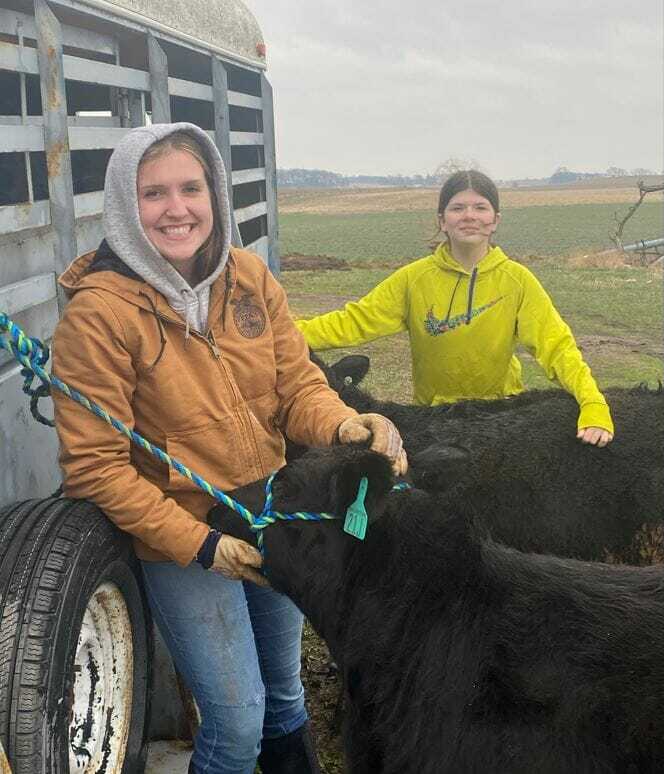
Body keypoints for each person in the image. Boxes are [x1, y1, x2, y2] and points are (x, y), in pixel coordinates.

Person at [51, 122, 407, 774]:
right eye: (152, 192)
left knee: (283, 696)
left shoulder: (246, 278)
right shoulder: (97, 317)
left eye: (190, 187)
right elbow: (94, 467)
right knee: (237, 721)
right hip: (183, 538)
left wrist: (342, 425)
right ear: (125, 206)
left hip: (269, 519)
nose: (175, 207)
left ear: (214, 193)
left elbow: (296, 385)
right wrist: (204, 546)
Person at [296, 170, 614, 446]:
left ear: (495, 220)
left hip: (500, 416)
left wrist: (592, 401)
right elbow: (352, 322)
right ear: (442, 221)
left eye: (480, 207)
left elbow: (558, 347)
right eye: (457, 207)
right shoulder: (413, 279)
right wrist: (283, 332)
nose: (469, 216)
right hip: (433, 420)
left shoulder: (517, 281)